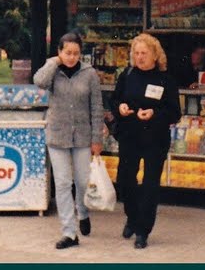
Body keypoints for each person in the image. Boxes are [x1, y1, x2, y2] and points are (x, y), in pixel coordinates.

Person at [33, 32, 105, 250]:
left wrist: (96, 139)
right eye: (67, 53)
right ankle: (69, 232)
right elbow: (39, 82)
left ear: (80, 54)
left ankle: (82, 212)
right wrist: (53, 62)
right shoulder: (53, 71)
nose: (71, 57)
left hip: (83, 136)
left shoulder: (89, 74)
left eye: (75, 53)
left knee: (83, 181)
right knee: (63, 183)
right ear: (60, 52)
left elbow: (96, 107)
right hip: (57, 135)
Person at [111, 33, 182, 249]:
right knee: (125, 180)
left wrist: (154, 113)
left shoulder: (165, 80)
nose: (140, 57)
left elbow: (174, 113)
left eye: (144, 53)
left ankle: (143, 230)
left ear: (155, 55)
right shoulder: (127, 74)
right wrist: (120, 108)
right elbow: (115, 99)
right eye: (136, 53)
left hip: (155, 138)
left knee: (150, 185)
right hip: (130, 135)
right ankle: (132, 218)